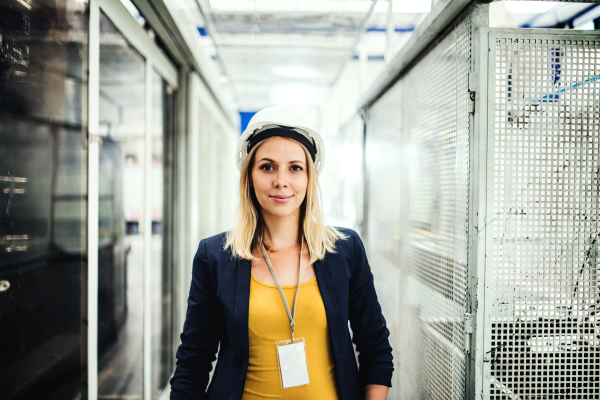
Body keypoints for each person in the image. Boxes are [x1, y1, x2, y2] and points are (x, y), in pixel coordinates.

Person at [170, 106, 393, 400]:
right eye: (267, 166)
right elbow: (193, 362)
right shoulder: (215, 257)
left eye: (295, 167)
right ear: (249, 175)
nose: (281, 180)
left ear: (310, 178)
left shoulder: (344, 250)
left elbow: (375, 348)